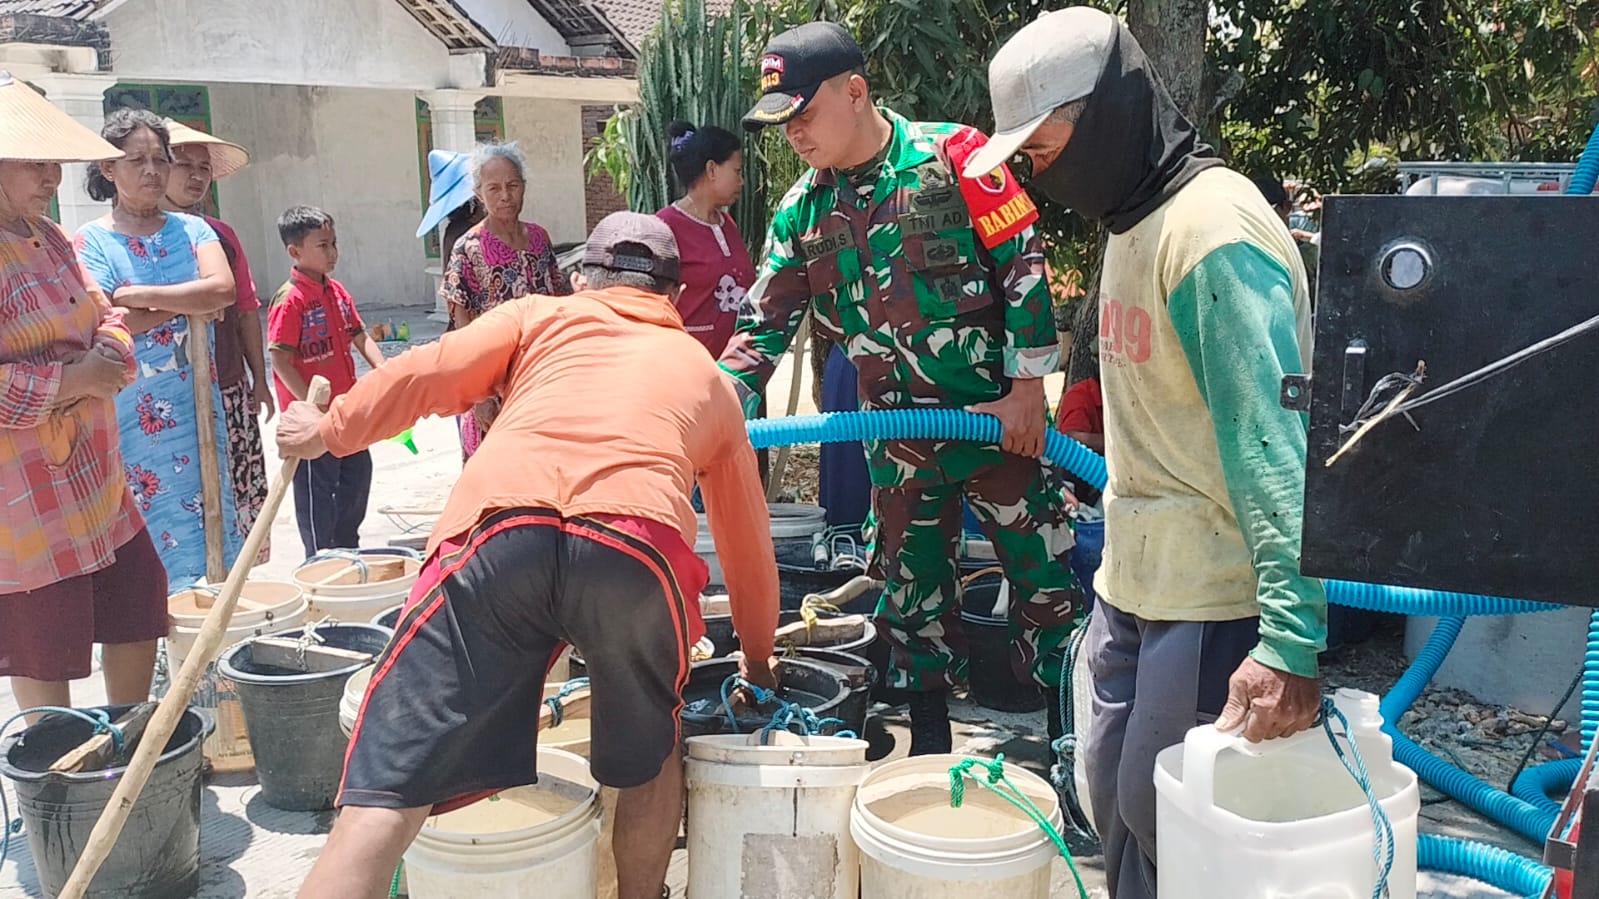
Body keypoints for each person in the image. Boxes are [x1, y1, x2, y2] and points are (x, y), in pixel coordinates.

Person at [281, 211, 781, 899]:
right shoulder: (708, 377)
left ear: (583, 280)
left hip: (495, 535)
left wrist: (328, 429)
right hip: (634, 550)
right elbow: (746, 545)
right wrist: (756, 655)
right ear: (671, 296)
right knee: (648, 755)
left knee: (384, 797)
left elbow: (427, 373)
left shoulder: (536, 317)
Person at [968, 8, 1328, 897]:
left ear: (1107, 111)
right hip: (1137, 585)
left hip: (1214, 601)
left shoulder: (1212, 233)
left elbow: (1272, 447)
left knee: (1182, 832)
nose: (1036, 175)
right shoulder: (1134, 220)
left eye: (1042, 150)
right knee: (1119, 803)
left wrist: (1287, 640)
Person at [723, 22, 1084, 754]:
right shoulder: (802, 212)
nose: (791, 132)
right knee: (910, 600)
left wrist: (1024, 389)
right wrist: (715, 407)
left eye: (803, 112)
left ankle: (1070, 751)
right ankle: (926, 751)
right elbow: (757, 330)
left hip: (997, 427)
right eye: (780, 121)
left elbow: (1024, 263)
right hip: (896, 445)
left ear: (854, 91)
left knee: (1044, 588)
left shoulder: (955, 157)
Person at [0, 74, 169, 718]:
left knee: (135, 599)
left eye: (55, 163)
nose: (52, 178)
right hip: (24, 494)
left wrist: (112, 355)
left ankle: (128, 738)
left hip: (94, 476)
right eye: (36, 163)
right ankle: (56, 771)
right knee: (42, 635)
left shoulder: (50, 238)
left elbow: (109, 313)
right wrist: (71, 383)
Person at [74, 108, 242, 587]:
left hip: (197, 405)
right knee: (144, 529)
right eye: (136, 161)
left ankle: (209, 631)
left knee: (211, 512)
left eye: (159, 159)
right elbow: (112, 320)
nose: (152, 171)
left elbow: (223, 289)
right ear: (109, 169)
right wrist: (190, 302)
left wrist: (140, 294)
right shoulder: (91, 243)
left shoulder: (193, 230)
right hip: (131, 414)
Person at [163, 120, 273, 564]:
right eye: (183, 164)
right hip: (167, 397)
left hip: (226, 384)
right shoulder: (131, 237)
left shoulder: (222, 235)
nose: (194, 176)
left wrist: (257, 379)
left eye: (202, 167)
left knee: (233, 498)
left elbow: (245, 308)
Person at [267, 205, 384, 557]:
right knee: (317, 489)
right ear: (295, 251)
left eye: (334, 243)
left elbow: (359, 335)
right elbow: (280, 358)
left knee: (356, 476)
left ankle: (349, 547)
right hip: (312, 422)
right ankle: (320, 559)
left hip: (346, 410)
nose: (333, 253)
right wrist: (309, 406)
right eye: (323, 245)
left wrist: (384, 370)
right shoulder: (291, 301)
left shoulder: (336, 292)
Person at [439, 141, 570, 457]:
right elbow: (463, 329)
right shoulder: (468, 248)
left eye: (512, 185)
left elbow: (559, 300)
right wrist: (479, 396)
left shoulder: (539, 239)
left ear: (524, 187)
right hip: (492, 384)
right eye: (494, 187)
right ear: (478, 192)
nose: (505, 195)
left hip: (542, 376)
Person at [656, 121, 756, 358]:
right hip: (689, 365)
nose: (741, 181)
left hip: (738, 364)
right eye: (737, 171)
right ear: (712, 170)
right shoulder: (666, 227)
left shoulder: (727, 224)